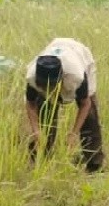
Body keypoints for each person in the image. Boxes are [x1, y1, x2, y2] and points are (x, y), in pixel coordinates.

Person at [25, 38, 104, 172]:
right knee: (44, 116)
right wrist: (36, 131)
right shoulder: (32, 76)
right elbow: (30, 104)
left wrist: (73, 133)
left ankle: (94, 164)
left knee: (90, 117)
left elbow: (85, 104)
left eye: (51, 87)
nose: (48, 91)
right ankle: (40, 160)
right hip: (57, 47)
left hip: (79, 55)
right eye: (44, 87)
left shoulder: (76, 76)